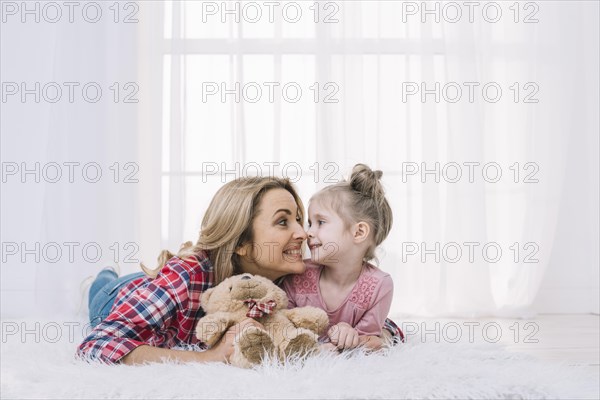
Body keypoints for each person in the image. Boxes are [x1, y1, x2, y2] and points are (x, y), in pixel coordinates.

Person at [77, 175, 403, 365]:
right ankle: (100, 279)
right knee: (103, 292)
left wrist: (375, 337)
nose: (304, 234)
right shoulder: (187, 276)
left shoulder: (292, 275)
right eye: (282, 221)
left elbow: (362, 315)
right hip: (121, 295)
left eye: (300, 221)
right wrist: (209, 358)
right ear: (242, 243)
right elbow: (98, 345)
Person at [283, 164, 398, 351]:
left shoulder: (379, 285)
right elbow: (282, 330)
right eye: (310, 223)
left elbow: (371, 341)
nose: (308, 232)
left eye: (320, 222)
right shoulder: (297, 276)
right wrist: (312, 350)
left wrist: (351, 336)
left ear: (359, 231)